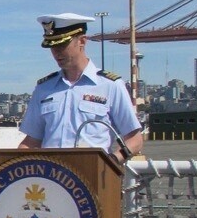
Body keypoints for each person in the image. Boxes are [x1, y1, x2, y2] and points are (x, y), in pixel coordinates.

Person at [18, 13, 143, 160]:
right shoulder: (44, 89)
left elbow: (135, 140)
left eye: (62, 44)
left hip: (91, 175)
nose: (57, 52)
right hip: (51, 177)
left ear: (82, 41)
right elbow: (31, 141)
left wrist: (112, 161)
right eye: (52, 46)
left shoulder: (110, 86)